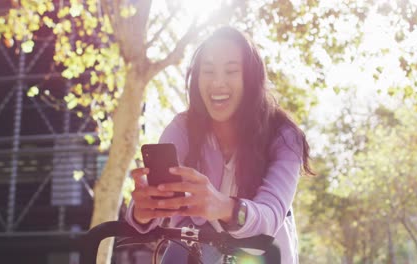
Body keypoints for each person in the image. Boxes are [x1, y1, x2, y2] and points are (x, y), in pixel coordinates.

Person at [126, 26, 313, 264]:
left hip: (261, 256)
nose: (218, 82)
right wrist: (143, 211)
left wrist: (225, 207)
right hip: (195, 253)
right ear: (197, 78)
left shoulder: (284, 136)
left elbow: (270, 217)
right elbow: (147, 212)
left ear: (250, 78)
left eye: (231, 71)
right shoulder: (182, 128)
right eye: (209, 71)